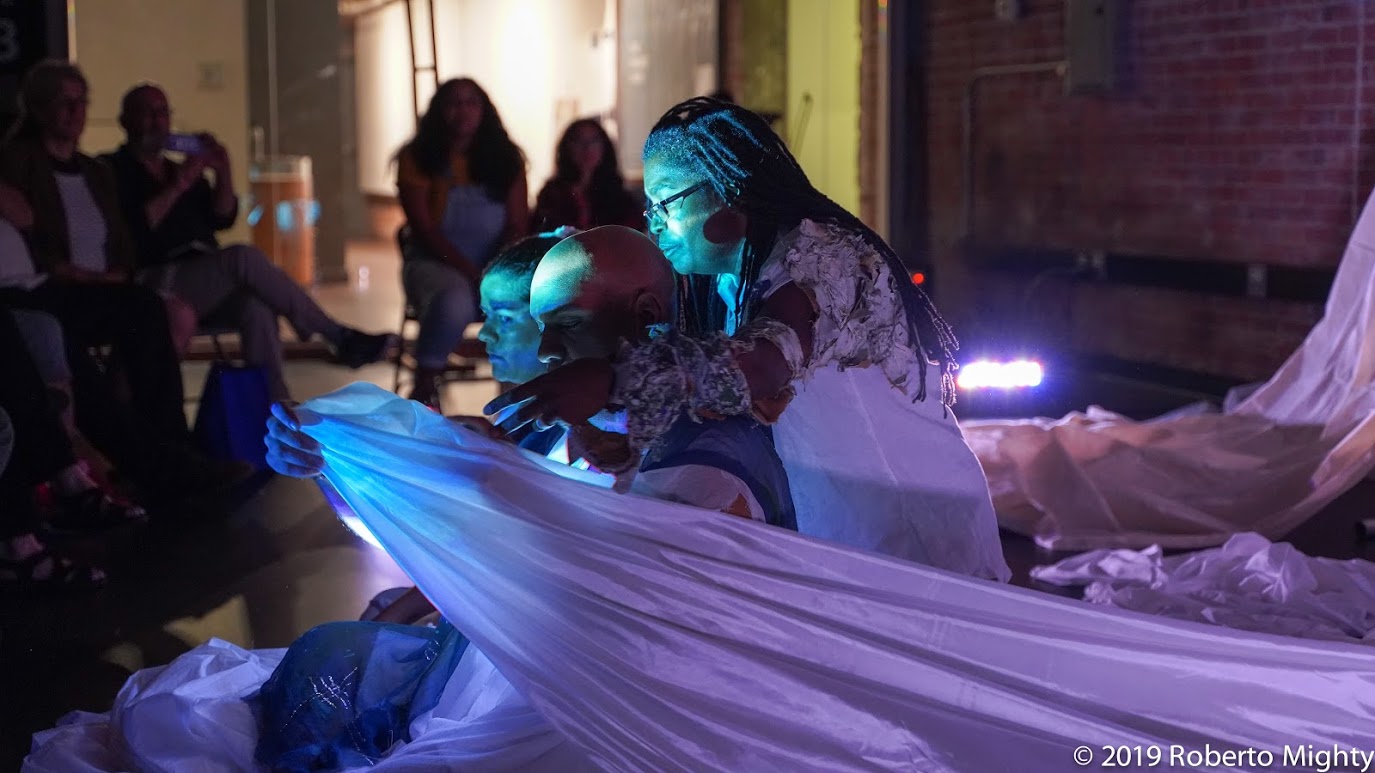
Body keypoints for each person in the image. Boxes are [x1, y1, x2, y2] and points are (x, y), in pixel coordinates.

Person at [486, 97, 1009, 581]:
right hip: (837, 525)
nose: (655, 225)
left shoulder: (822, 258)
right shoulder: (725, 278)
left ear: (725, 187)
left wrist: (617, 379)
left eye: (664, 203)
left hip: (913, 527)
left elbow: (763, 363)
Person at [100, 84, 398, 401]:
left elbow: (223, 217)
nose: (157, 122)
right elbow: (133, 230)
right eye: (147, 113)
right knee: (242, 258)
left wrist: (223, 169)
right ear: (125, 120)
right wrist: (179, 185)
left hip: (203, 274)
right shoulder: (111, 169)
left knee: (256, 308)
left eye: (163, 113)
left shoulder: (178, 167)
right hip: (155, 276)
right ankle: (337, 335)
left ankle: (274, 408)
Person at [395, 78, 529, 407]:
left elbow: (517, 222)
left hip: (495, 261)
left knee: (523, 299)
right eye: (453, 103)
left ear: (485, 110)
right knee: (454, 300)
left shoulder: (507, 158)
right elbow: (424, 229)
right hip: (433, 262)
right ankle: (425, 386)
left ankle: (516, 394)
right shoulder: (417, 158)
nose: (463, 111)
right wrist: (471, 272)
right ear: (438, 111)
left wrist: (495, 267)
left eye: (471, 103)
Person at [531, 119, 643, 233]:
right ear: (567, 146)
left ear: (604, 146)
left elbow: (632, 232)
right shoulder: (552, 194)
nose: (587, 148)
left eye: (594, 140)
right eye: (579, 141)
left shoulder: (618, 194)